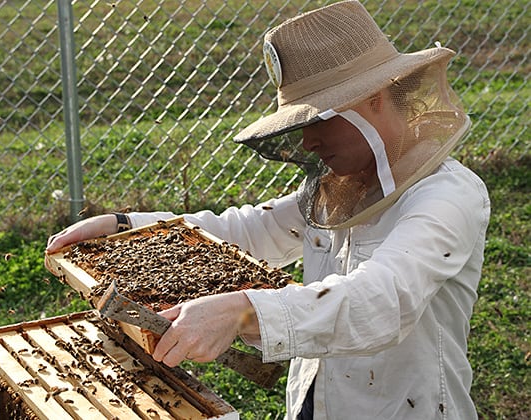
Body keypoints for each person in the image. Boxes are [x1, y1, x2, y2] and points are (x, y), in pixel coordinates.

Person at [45, 1, 490, 418]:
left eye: (317, 120)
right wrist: (126, 227)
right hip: (314, 399)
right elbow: (254, 230)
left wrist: (242, 312)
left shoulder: (447, 196)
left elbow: (382, 301)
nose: (307, 142)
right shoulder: (339, 186)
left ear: (374, 98)